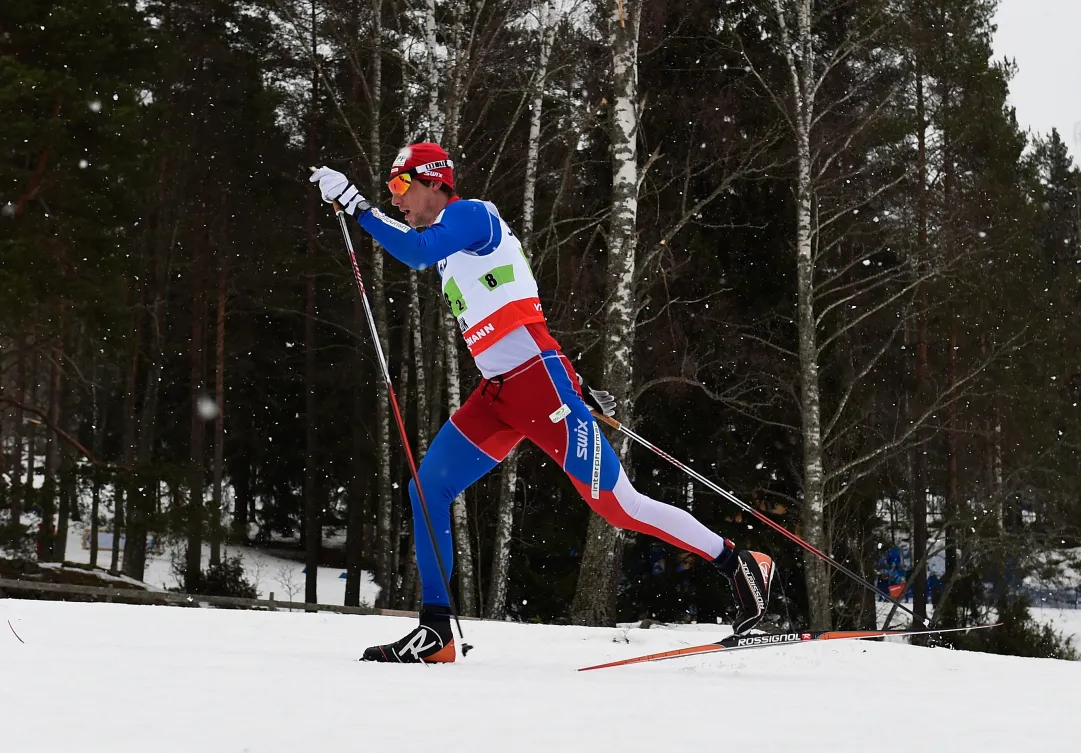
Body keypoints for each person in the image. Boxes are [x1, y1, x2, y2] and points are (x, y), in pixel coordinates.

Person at [310, 143, 775, 664]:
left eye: (400, 186)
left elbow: (419, 254)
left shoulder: (471, 215)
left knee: (618, 506)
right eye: (390, 190)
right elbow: (520, 316)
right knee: (428, 489)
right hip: (501, 394)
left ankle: (736, 562)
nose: (396, 199)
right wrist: (575, 379)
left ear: (434, 181)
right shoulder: (449, 249)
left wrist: (356, 204)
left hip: (537, 386)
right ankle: (436, 631)